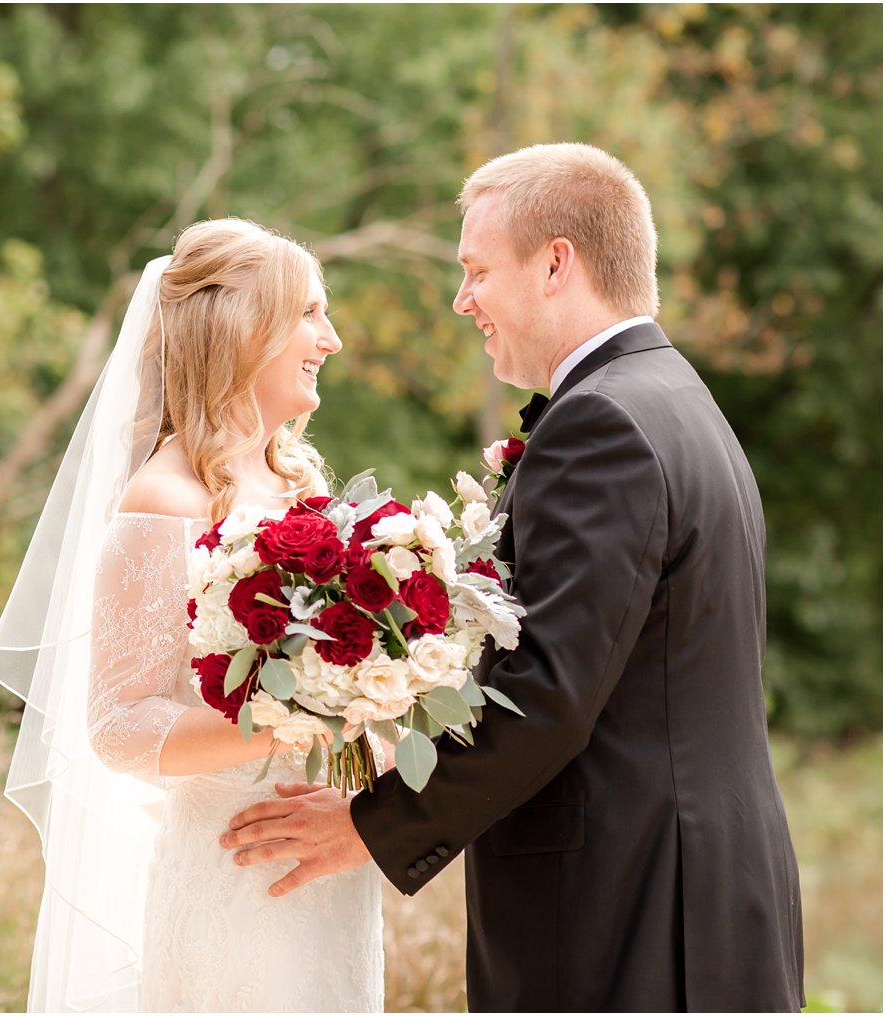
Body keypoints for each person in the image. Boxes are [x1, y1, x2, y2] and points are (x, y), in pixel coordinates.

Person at [220, 143, 806, 1011]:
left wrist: (368, 827)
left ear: (556, 263)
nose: (463, 301)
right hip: (704, 887)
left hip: (627, 911)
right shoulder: (676, 397)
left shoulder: (600, 423)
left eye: (475, 270)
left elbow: (549, 695)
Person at [0, 218, 384, 1012]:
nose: (331, 339)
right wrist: (293, 720)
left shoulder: (306, 493)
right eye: (309, 313)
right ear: (245, 331)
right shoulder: (164, 502)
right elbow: (120, 725)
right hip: (230, 885)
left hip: (333, 880)